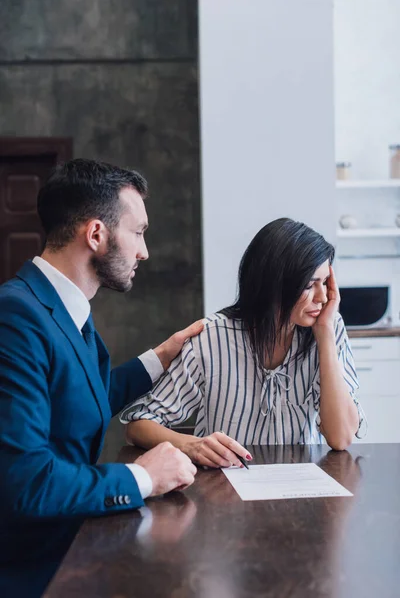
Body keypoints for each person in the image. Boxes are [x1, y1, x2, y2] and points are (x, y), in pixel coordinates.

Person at [0, 158, 200, 595]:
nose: (144, 251)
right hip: (32, 568)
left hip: (74, 548)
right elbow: (25, 481)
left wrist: (161, 357)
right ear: (96, 234)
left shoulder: (61, 307)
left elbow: (76, 402)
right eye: (139, 232)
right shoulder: (14, 317)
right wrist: (142, 477)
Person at [122, 218, 367, 467]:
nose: (323, 297)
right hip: (225, 490)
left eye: (325, 282)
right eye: (309, 285)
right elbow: (139, 425)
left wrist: (325, 335)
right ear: (272, 283)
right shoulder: (212, 337)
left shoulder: (328, 327)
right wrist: (191, 445)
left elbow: (341, 437)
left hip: (303, 490)